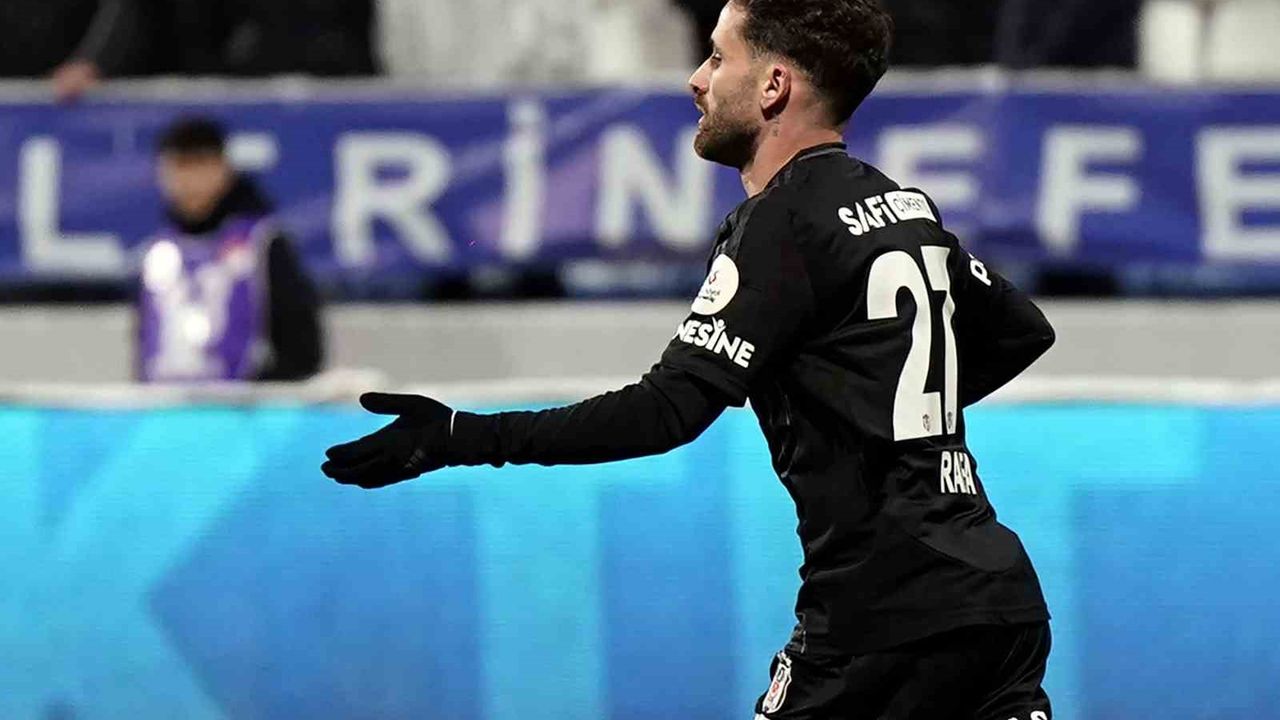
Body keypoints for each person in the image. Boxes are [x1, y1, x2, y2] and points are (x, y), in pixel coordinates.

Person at [322, 0, 1056, 717]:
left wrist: (462, 437)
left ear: (773, 86)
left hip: (880, 621)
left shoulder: (780, 224)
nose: (696, 80)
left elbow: (664, 412)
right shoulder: (903, 207)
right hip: (1000, 605)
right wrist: (881, 410)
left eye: (716, 56)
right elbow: (1021, 330)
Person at [137, 117, 323, 383]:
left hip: (244, 405)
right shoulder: (156, 253)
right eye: (179, 167)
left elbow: (302, 350)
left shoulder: (263, 243)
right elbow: (146, 347)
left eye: (200, 165)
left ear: (224, 168)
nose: (189, 180)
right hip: (164, 403)